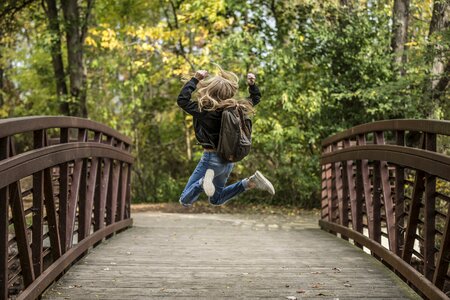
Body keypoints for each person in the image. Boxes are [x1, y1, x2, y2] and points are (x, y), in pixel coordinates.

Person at [177, 66, 275, 207]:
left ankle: (202, 182)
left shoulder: (205, 110)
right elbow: (256, 98)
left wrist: (195, 79)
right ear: (228, 92)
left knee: (185, 200)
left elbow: (182, 100)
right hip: (228, 160)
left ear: (210, 90)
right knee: (216, 200)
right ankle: (250, 182)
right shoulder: (237, 108)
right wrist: (252, 85)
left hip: (211, 160)